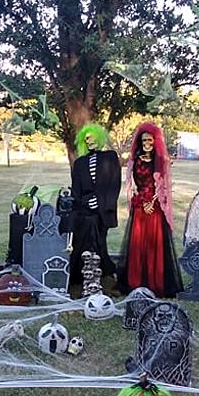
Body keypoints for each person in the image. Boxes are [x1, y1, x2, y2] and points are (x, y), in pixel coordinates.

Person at [116, 122, 183, 297]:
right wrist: (141, 201)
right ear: (140, 141)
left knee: (154, 245)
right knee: (138, 245)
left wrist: (152, 202)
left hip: (154, 210)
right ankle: (136, 282)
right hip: (139, 208)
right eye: (144, 140)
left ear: (155, 141)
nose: (147, 143)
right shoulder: (135, 161)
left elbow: (163, 187)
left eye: (150, 140)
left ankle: (155, 282)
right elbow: (134, 185)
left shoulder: (161, 161)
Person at [68, 123, 121, 288]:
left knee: (99, 236)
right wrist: (84, 203)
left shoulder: (110, 157)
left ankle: (102, 272)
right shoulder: (79, 163)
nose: (89, 141)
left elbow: (114, 184)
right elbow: (76, 190)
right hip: (84, 210)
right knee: (85, 230)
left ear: (100, 138)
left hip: (104, 209)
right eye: (86, 139)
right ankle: (83, 273)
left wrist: (103, 203)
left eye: (92, 137)